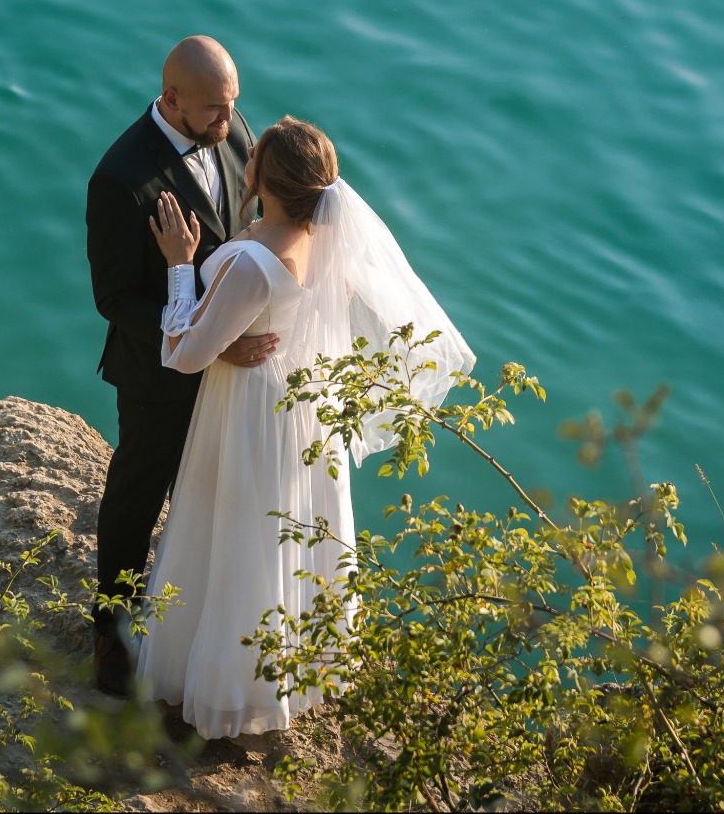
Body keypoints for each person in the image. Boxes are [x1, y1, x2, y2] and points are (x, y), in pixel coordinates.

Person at [135, 116, 476, 738]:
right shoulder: (325, 242)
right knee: (282, 541)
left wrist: (181, 264)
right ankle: (282, 677)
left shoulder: (251, 263)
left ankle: (219, 690)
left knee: (234, 538)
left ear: (261, 176)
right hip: (305, 409)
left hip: (249, 410)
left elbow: (183, 354)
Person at [85, 36, 275, 695]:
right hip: (156, 374)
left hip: (230, 369)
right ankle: (110, 631)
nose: (229, 125)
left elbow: (250, 219)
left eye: (232, 107)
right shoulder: (120, 177)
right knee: (138, 496)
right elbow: (112, 297)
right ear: (170, 99)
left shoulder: (234, 124)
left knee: (213, 496)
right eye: (214, 113)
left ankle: (195, 627)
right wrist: (204, 340)